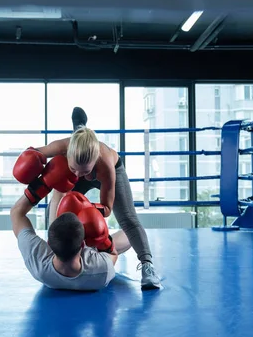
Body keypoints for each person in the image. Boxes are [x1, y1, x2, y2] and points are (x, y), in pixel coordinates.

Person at [21, 107, 161, 291]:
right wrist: (30, 163)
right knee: (59, 198)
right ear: (67, 155)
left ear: (94, 162)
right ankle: (57, 250)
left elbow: (108, 208)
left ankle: (147, 265)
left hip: (108, 168)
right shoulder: (62, 147)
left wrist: (87, 210)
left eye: (84, 170)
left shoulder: (106, 168)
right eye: (74, 168)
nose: (78, 174)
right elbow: (34, 153)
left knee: (128, 218)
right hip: (75, 158)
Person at [11, 152, 130, 291]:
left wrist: (43, 183)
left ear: (49, 242)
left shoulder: (38, 264)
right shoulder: (102, 271)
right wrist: (104, 240)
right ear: (83, 244)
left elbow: (16, 213)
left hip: (60, 259)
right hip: (87, 258)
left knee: (60, 187)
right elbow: (112, 254)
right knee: (130, 234)